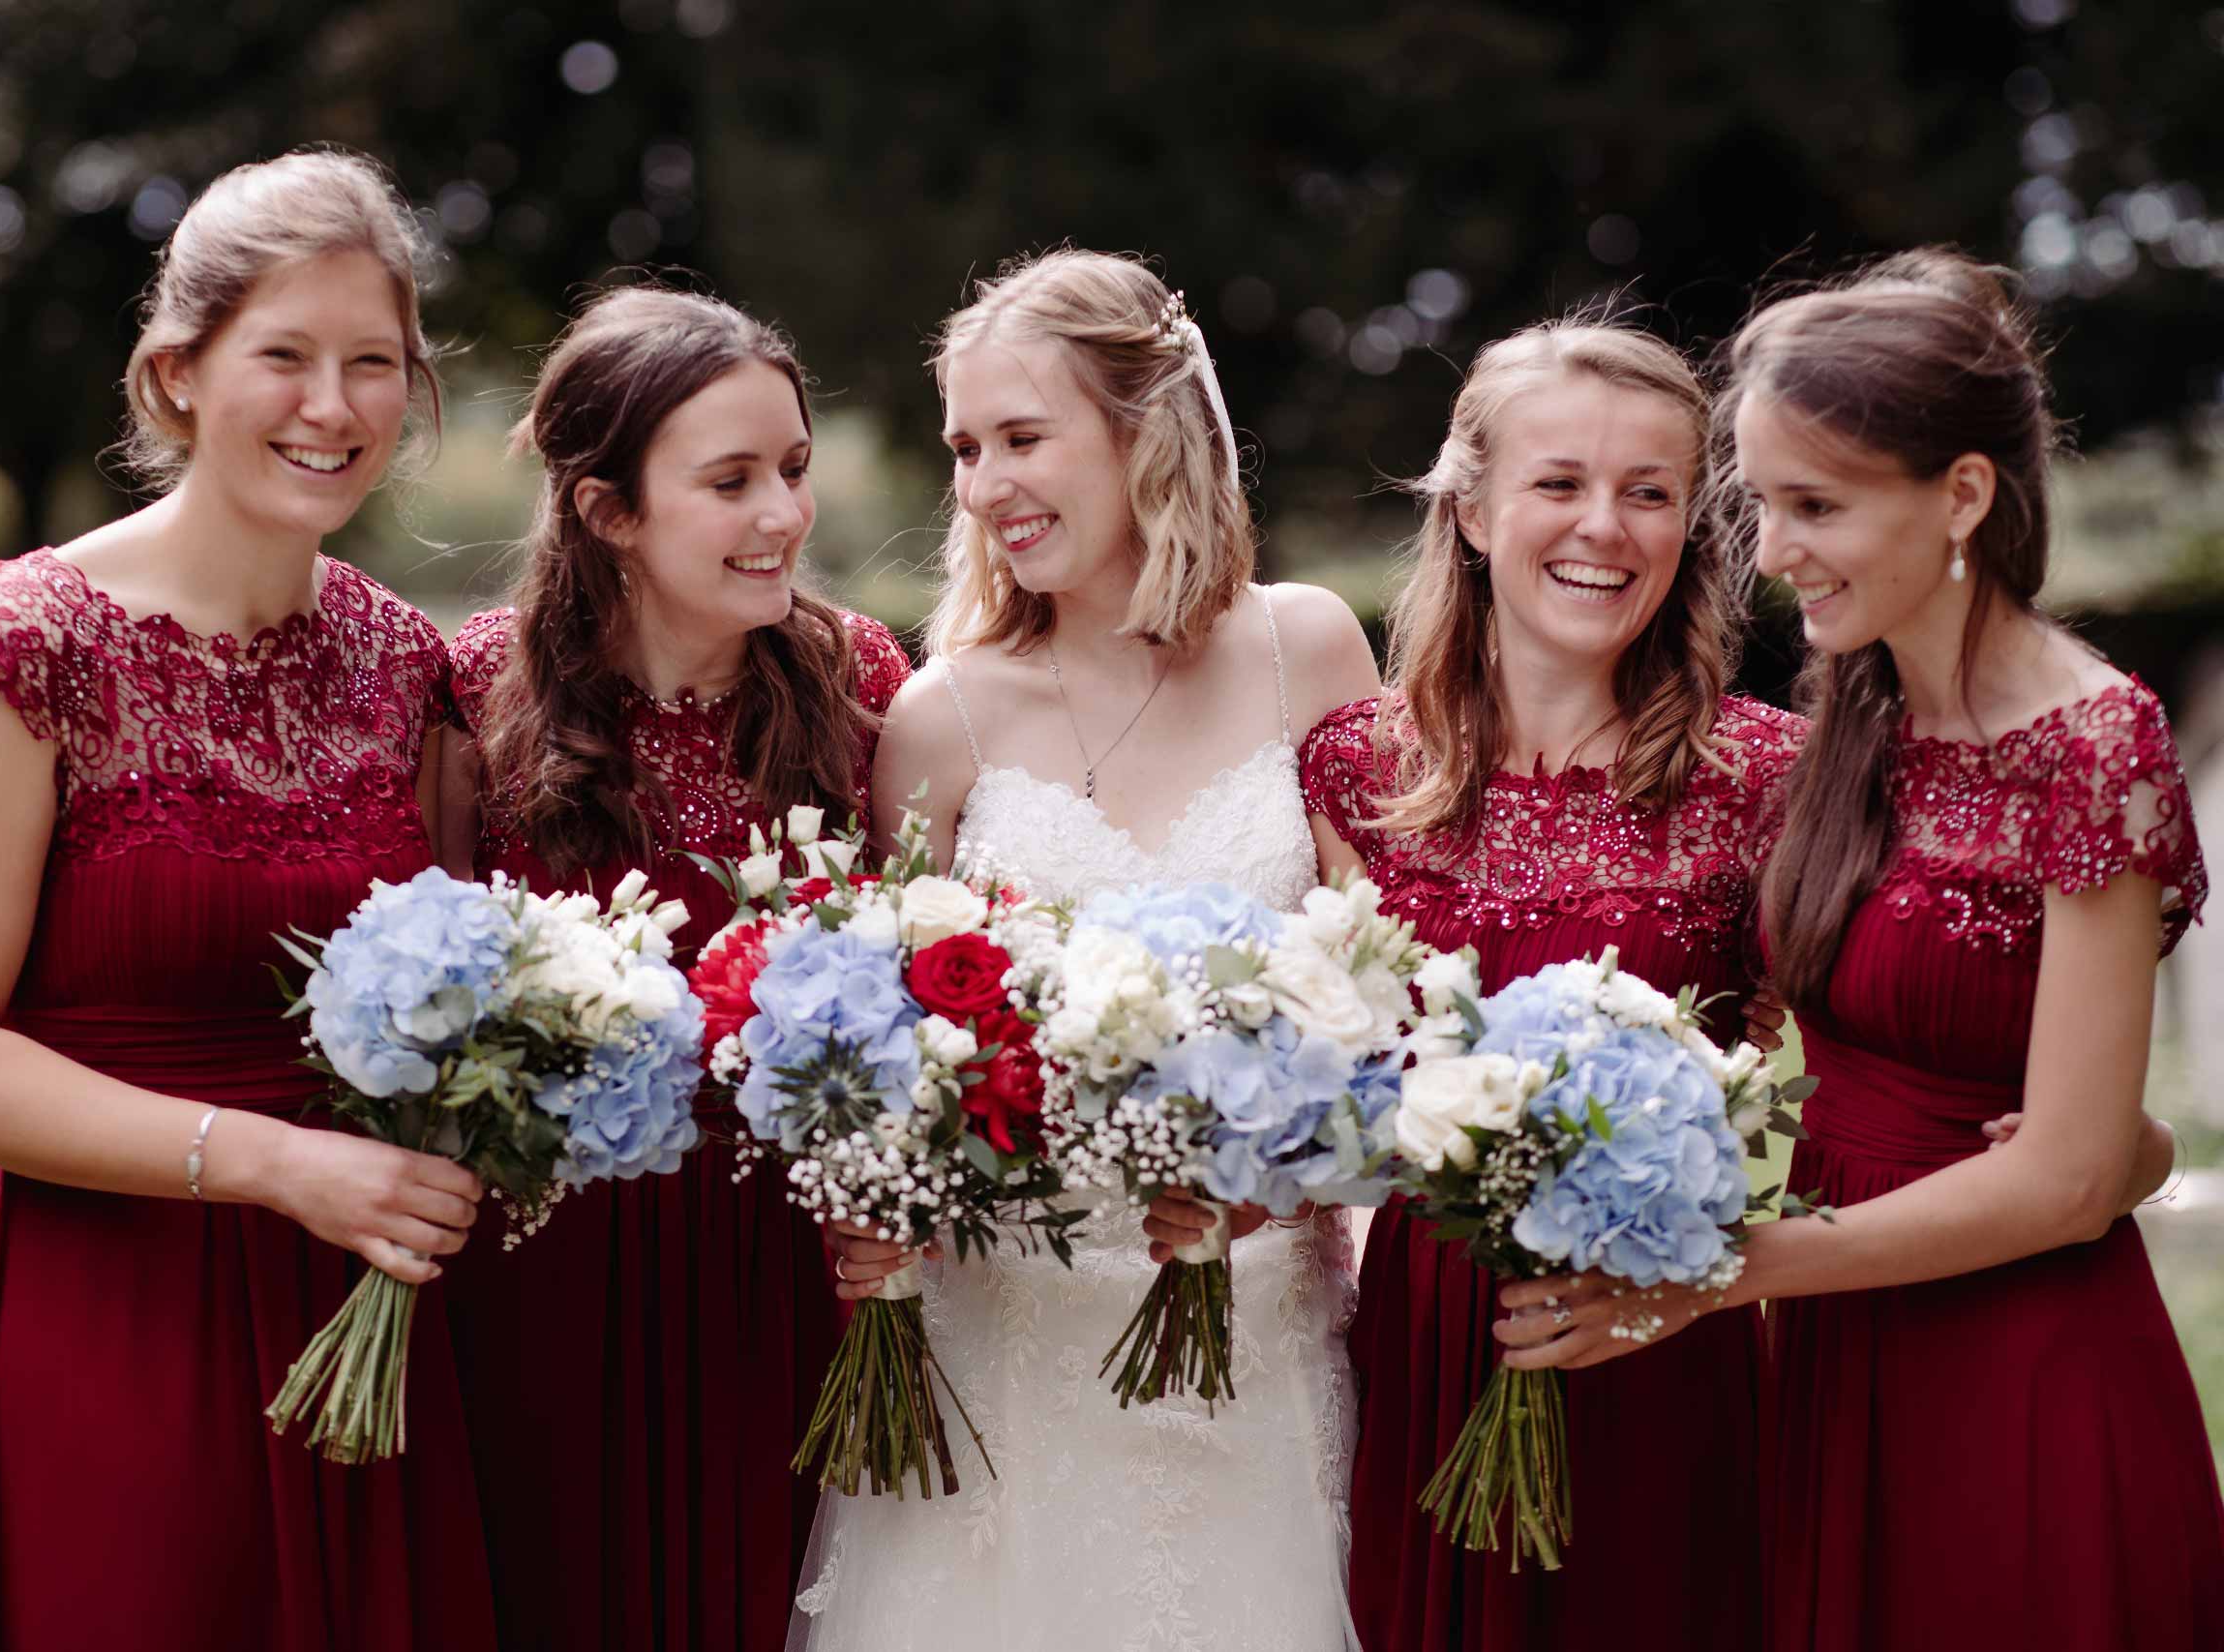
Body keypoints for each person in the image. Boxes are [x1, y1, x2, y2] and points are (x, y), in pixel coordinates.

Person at [1492, 250, 2221, 1650]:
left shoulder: (2093, 746)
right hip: (1839, 1352)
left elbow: (2076, 1176)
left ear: (1962, 493)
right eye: (1762, 504)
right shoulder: (1857, 706)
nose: (1771, 553)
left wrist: (1726, 1271)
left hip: (2024, 1370)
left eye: (1816, 505)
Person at [0, 150, 496, 1651]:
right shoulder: (35, 642)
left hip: (367, 1312)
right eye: (283, 355)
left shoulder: (409, 661)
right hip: (113, 1314)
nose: (331, 407)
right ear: (177, 376)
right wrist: (272, 1163)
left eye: (373, 363)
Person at [792, 250, 1382, 1651]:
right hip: (1011, 1350)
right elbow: (904, 1061)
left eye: (1024, 438)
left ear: (1144, 431)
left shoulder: (1310, 650)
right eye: (964, 448)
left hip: (1254, 1335)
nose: (987, 484)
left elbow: (1387, 997)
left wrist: (1278, 1170)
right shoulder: (943, 721)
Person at [1299, 314, 1798, 1649]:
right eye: (1560, 483)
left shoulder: (1771, 780)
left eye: (1650, 493)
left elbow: (1833, 1080)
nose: (1606, 528)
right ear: (1469, 508)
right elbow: (1343, 1078)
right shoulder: (1356, 768)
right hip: (1429, 1333)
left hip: (1662, 1338)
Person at [435, 285, 911, 1652]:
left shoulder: (860, 677)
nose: (785, 514)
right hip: (546, 1272)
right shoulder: (478, 691)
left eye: (796, 470)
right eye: (732, 480)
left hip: (789, 1267)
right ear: (608, 512)